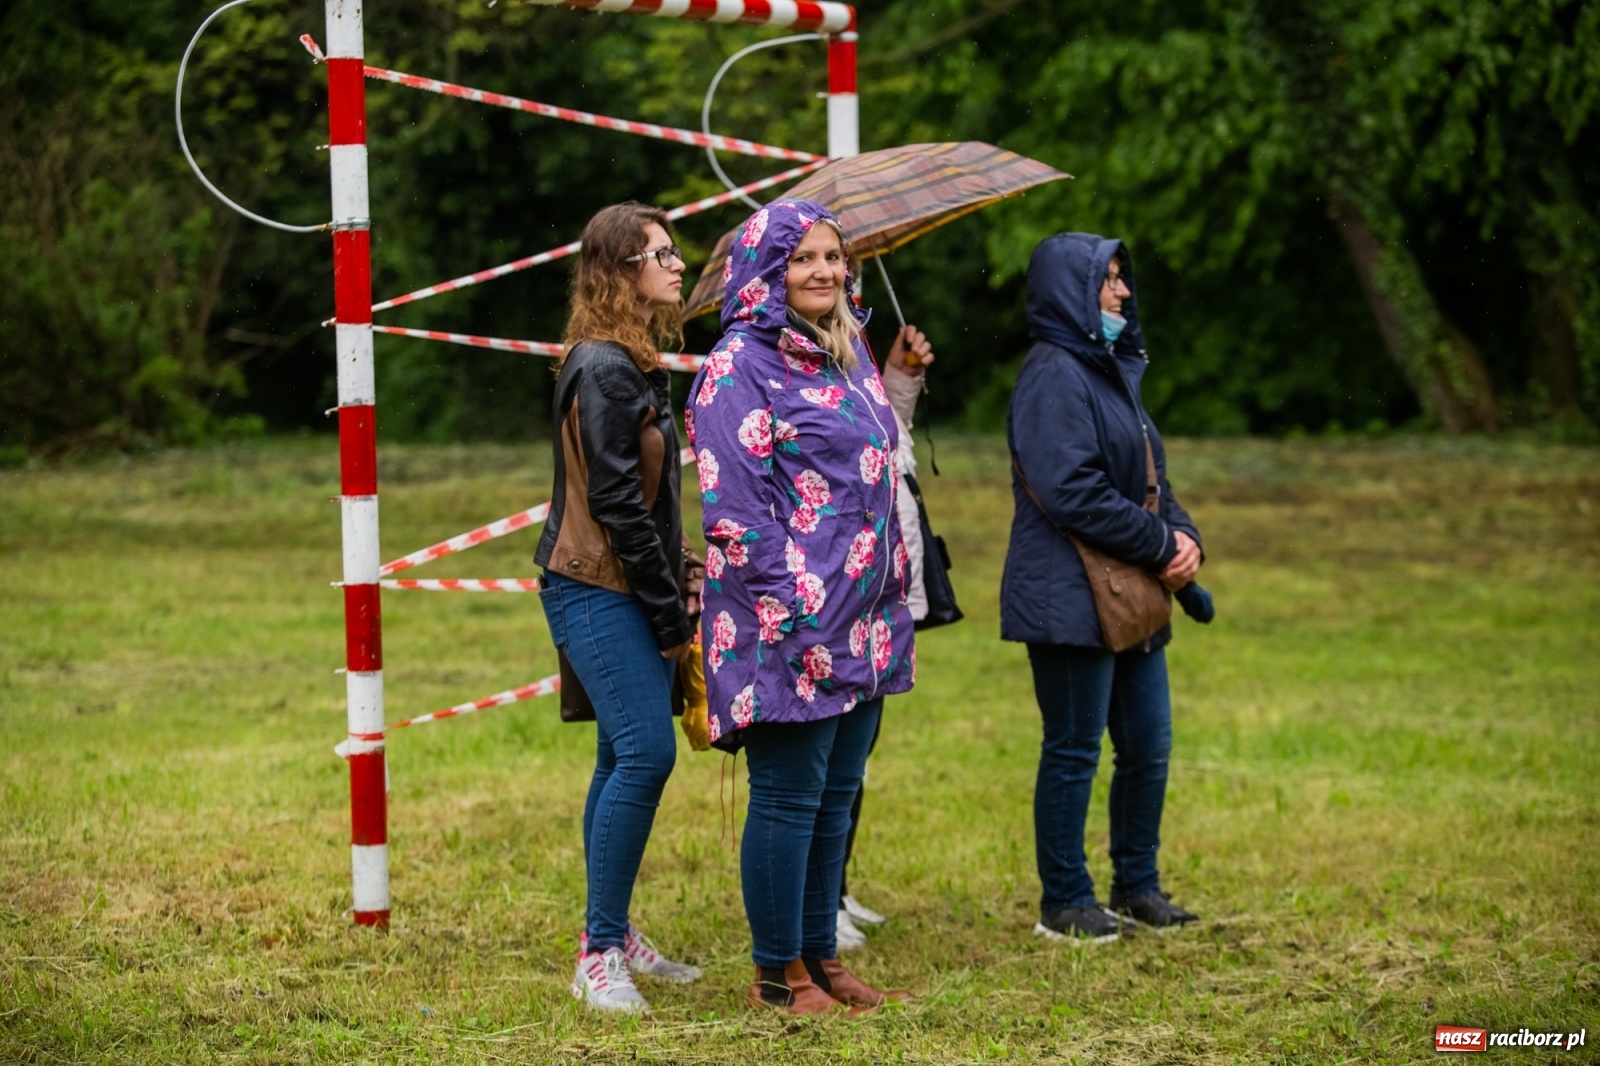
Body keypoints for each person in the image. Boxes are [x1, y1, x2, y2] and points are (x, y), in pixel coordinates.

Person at [686, 198, 916, 1014]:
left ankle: (823, 954)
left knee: (838, 792)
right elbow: (735, 516)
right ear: (766, 272)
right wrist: (797, 620)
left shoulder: (845, 355)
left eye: (832, 255)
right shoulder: (736, 371)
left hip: (866, 619)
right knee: (789, 795)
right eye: (803, 258)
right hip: (783, 627)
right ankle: (776, 974)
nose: (824, 271)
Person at [1002, 232, 1204, 944]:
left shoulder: (1112, 367)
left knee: (1147, 745)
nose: (1121, 291)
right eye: (1105, 280)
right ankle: (1064, 901)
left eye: (1123, 279)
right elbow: (1072, 492)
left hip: (1131, 592)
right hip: (1065, 595)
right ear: (1068, 291)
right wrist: (1160, 544)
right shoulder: (1053, 373)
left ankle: (1137, 885)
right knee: (1074, 749)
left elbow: (1152, 480)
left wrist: (1187, 541)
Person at [534, 202, 704, 1013]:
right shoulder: (604, 367)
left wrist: (678, 567)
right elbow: (615, 503)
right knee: (646, 755)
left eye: (673, 253)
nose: (676, 265)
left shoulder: (626, 361)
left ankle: (615, 930)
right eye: (660, 255)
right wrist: (671, 616)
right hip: (596, 587)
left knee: (618, 757)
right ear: (618, 272)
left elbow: (645, 498)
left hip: (621, 581)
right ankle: (598, 955)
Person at [835, 321, 935, 951]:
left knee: (855, 761)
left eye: (845, 261)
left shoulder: (854, 337)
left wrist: (898, 378)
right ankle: (819, 903)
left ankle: (834, 891)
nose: (841, 273)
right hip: (844, 586)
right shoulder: (805, 348)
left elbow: (884, 441)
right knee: (829, 763)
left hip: (884, 581)